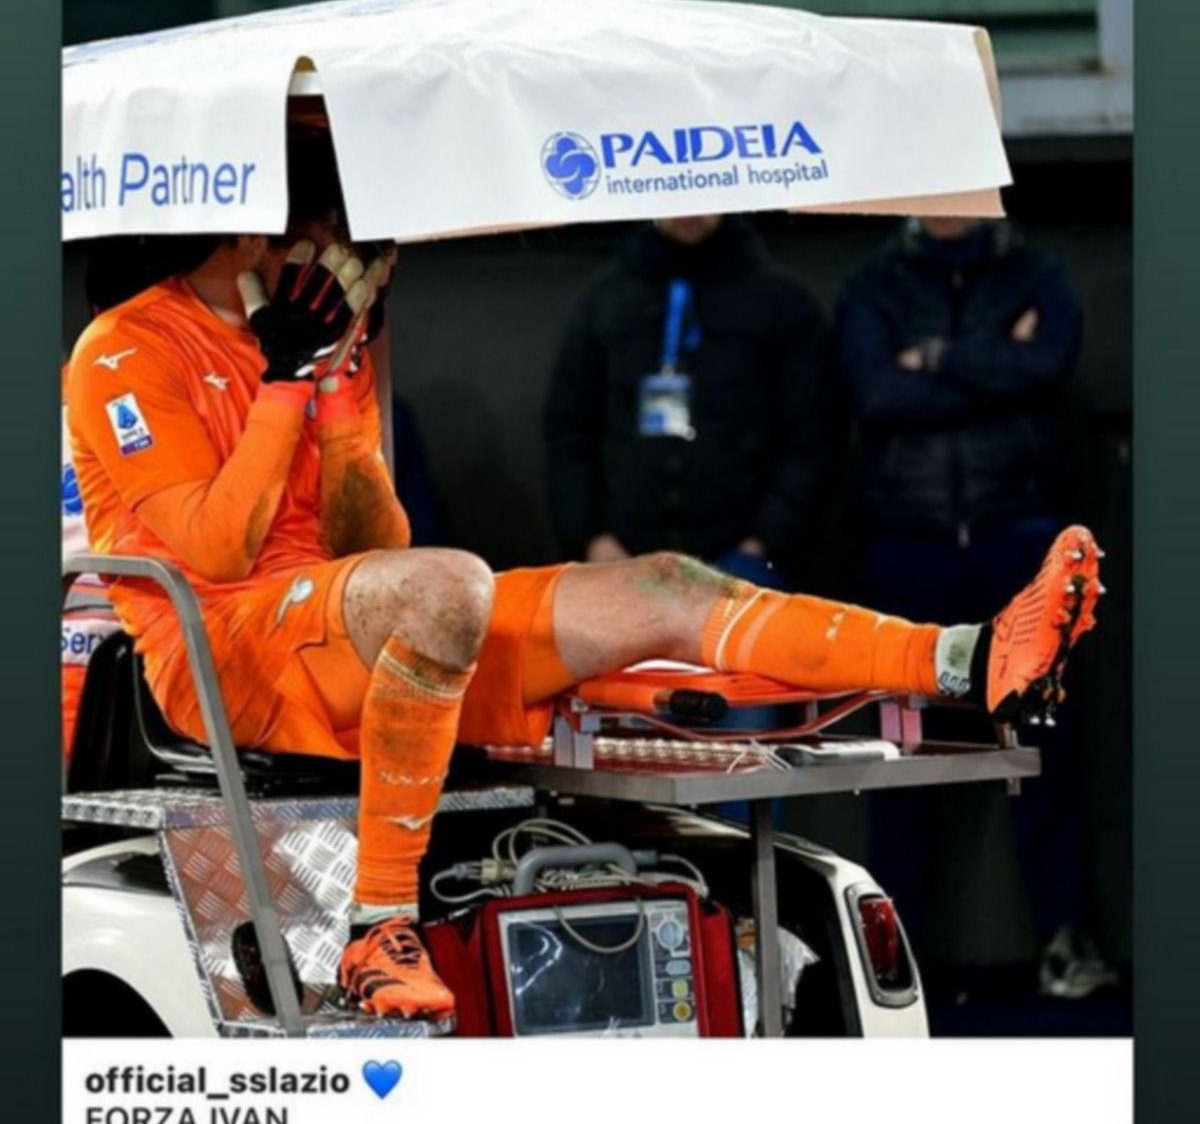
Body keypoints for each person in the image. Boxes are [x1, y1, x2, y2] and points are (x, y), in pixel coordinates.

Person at [67, 132, 1102, 1024]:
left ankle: (965, 659)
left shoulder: (308, 342)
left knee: (667, 587)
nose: (361, 257)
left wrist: (335, 385)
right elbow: (215, 550)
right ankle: (380, 926)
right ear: (258, 233)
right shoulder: (124, 347)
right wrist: (288, 383)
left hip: (352, 633)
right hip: (227, 657)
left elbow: (372, 541)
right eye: (340, 232)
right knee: (448, 587)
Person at [837, 213, 1113, 1001]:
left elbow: (1047, 366)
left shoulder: (1037, 274)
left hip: (1017, 543)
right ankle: (894, 959)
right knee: (903, 757)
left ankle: (1065, 937)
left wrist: (934, 357)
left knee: (1044, 753)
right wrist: (995, 363)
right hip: (911, 544)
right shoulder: (874, 284)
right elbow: (875, 392)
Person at [544, 214, 830, 586]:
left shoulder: (783, 303)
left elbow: (813, 434)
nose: (688, 212)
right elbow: (568, 430)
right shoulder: (604, 300)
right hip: (623, 560)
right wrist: (592, 539)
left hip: (744, 563)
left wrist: (765, 544)